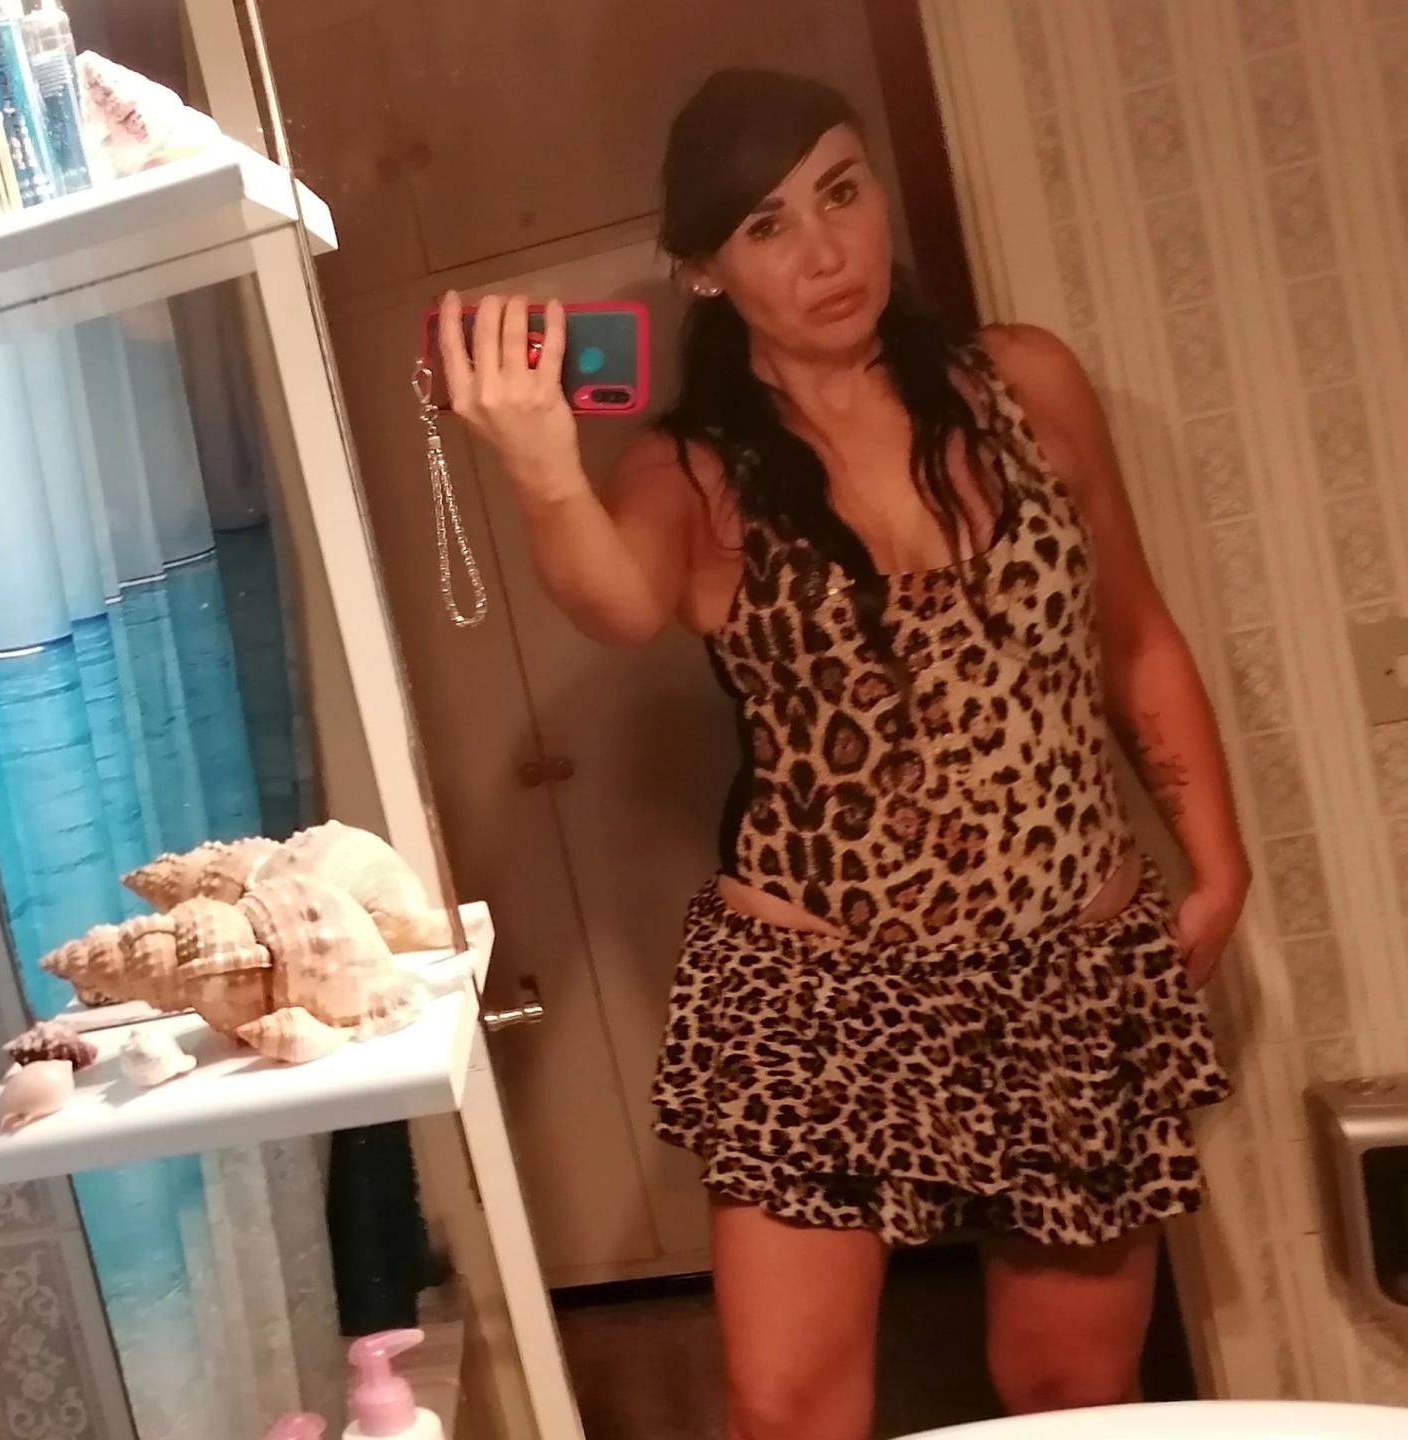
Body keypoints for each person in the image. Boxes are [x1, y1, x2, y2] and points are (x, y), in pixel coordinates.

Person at [436, 68, 1244, 1440]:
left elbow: (1132, 632)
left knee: (1072, 1401)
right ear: (703, 268)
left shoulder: (1025, 383)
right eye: (767, 225)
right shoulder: (690, 474)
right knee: (789, 1412)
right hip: (815, 998)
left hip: (1067, 974)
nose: (825, 253)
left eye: (842, 193)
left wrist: (1216, 864)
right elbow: (615, 600)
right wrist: (542, 470)